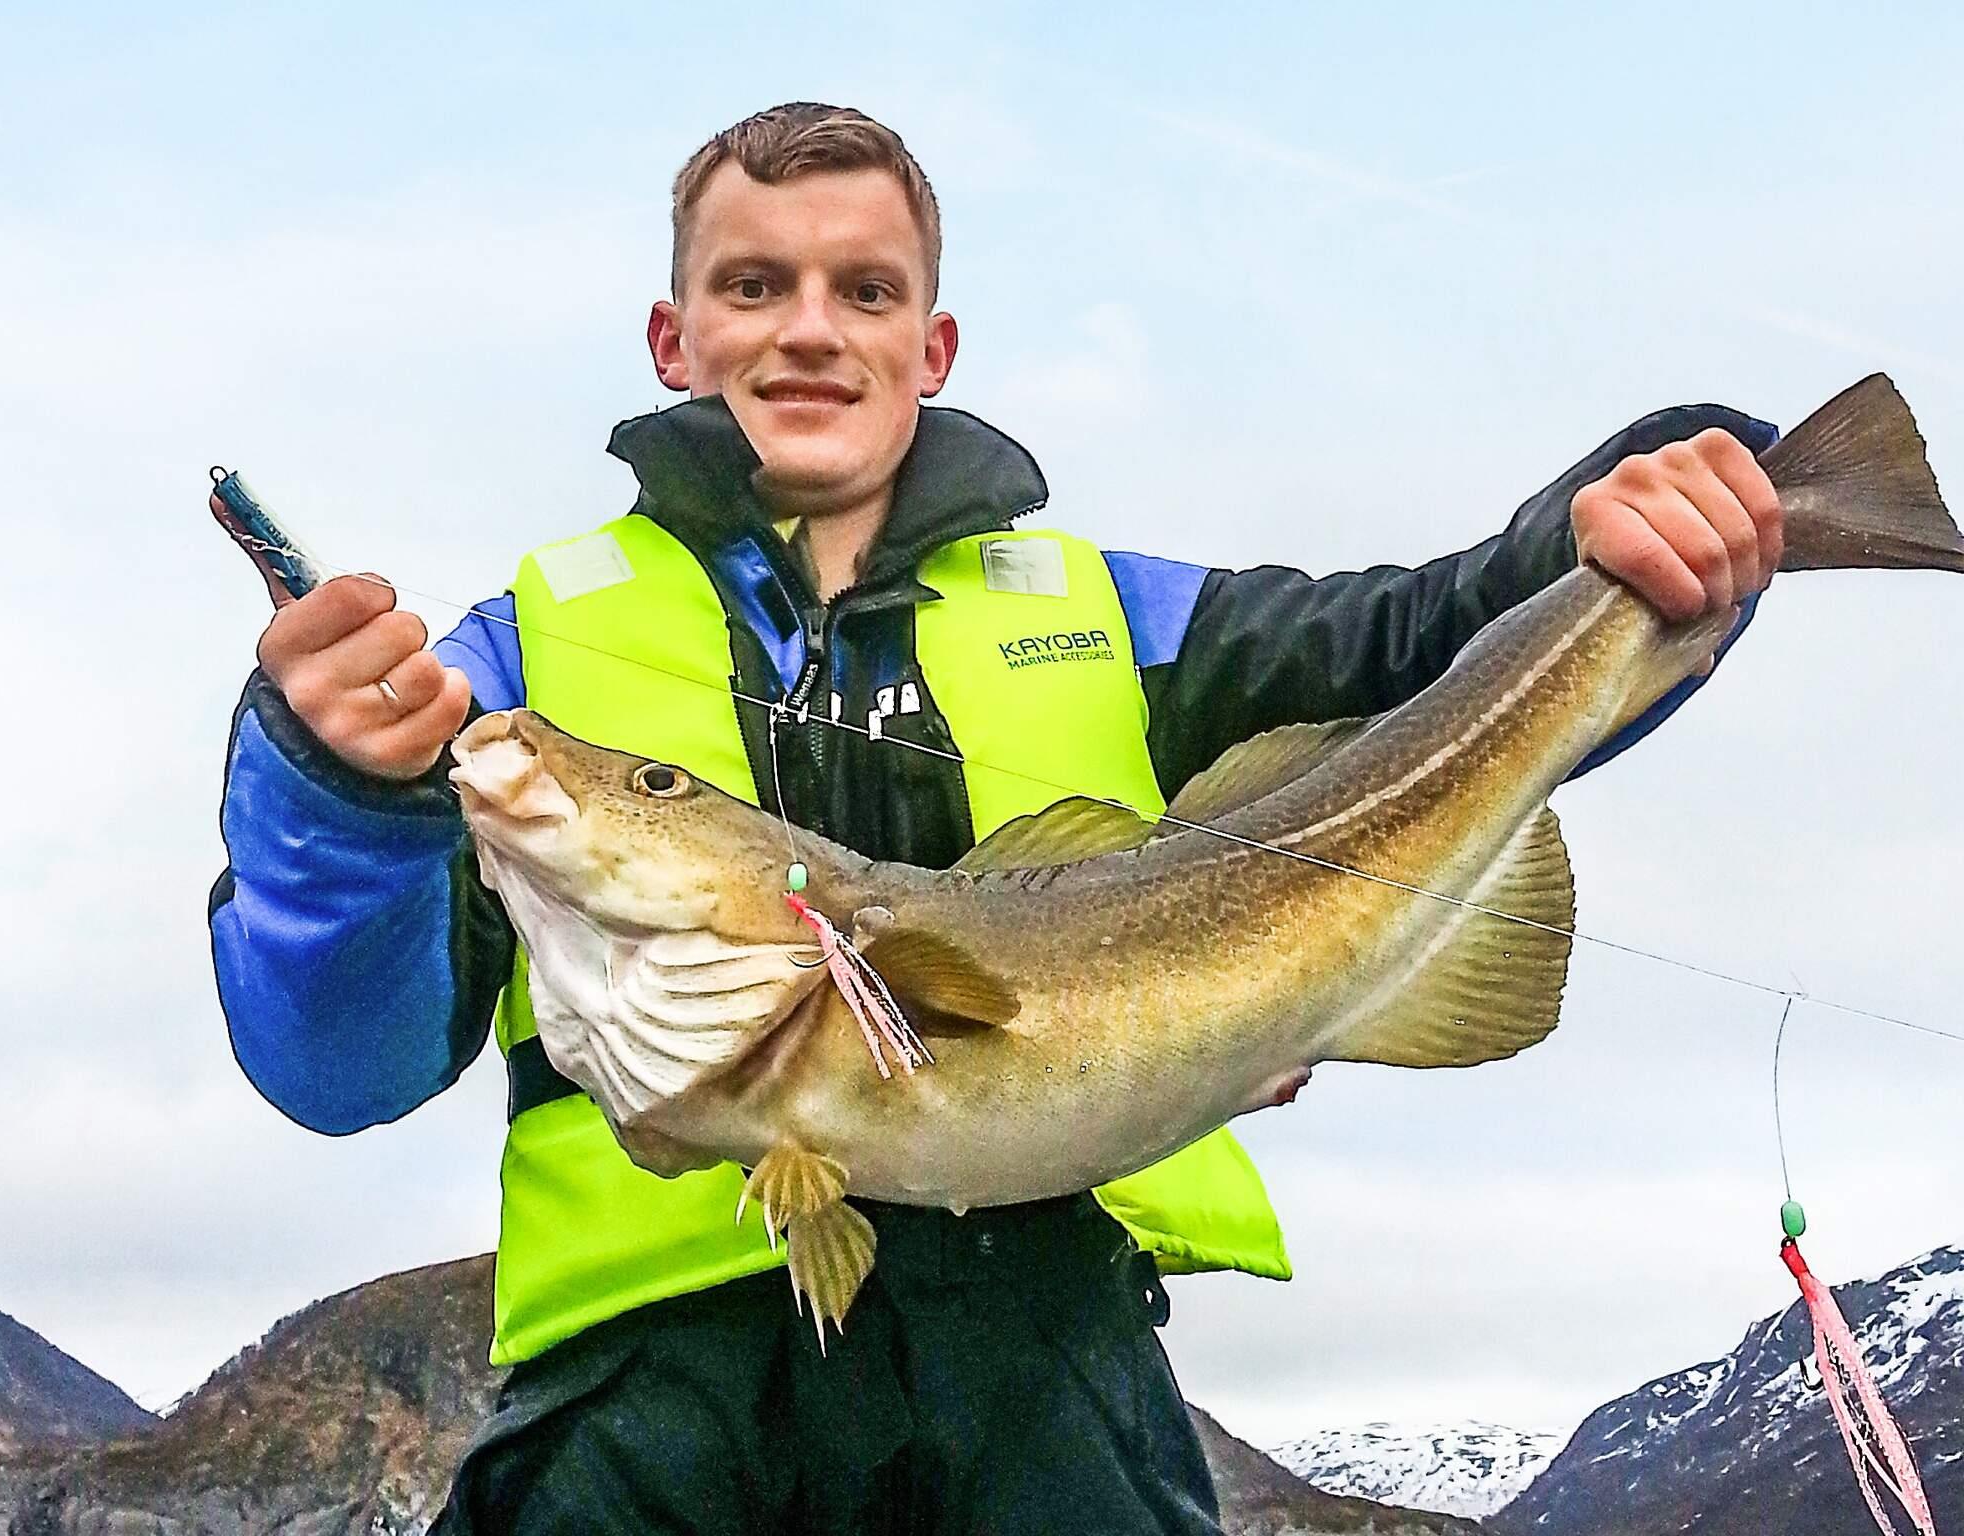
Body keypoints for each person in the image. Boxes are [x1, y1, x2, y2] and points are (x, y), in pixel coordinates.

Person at [209, 103, 1784, 1535]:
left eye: (865, 290)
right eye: (753, 285)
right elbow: (338, 1065)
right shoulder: (508, 670)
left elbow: (1422, 651)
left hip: (1054, 1402)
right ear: (672, 338)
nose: (809, 329)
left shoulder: (1121, 616)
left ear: (935, 344)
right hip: (631, 1438)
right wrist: (338, 790)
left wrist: (1613, 532)